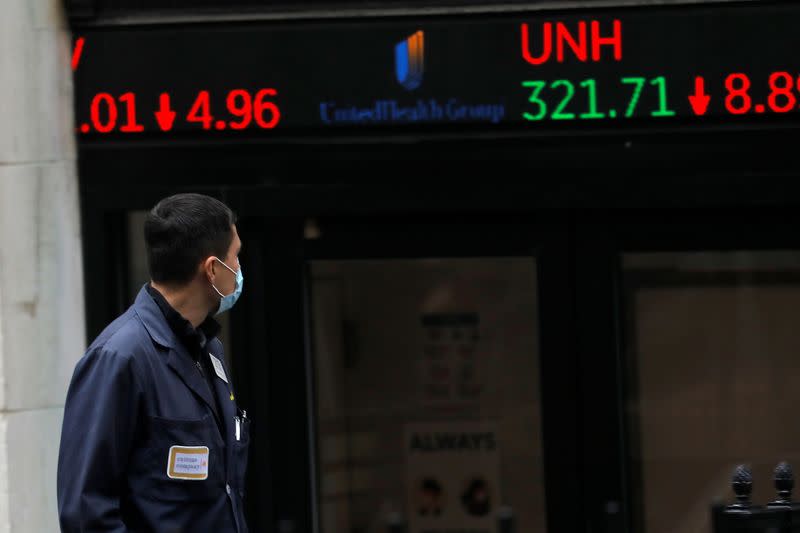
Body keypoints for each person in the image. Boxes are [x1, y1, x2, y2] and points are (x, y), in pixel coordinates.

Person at [57, 193, 250, 532]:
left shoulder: (209, 351)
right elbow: (86, 514)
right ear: (211, 269)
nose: (237, 270)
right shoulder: (119, 358)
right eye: (235, 257)